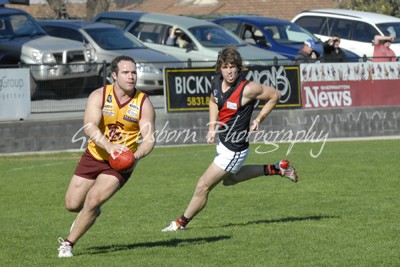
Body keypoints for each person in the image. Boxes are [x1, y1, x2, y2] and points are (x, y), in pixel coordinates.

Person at [161, 46, 298, 232]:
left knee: (203, 186)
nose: (229, 71)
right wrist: (212, 126)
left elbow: (275, 95)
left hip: (234, 148)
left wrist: (258, 119)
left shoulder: (248, 88)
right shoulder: (216, 82)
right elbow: (212, 101)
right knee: (230, 180)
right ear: (220, 68)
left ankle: (180, 224)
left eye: (233, 66)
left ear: (239, 67)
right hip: (223, 142)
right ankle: (277, 168)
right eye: (225, 67)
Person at [57, 55, 156, 257]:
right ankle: (90, 212)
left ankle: (68, 243)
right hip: (94, 155)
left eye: (134, 72)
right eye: (126, 73)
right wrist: (110, 147)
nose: (131, 77)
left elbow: (149, 139)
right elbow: (89, 126)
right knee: (72, 204)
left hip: (121, 164)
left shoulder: (143, 102)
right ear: (114, 75)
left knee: (93, 200)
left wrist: (135, 157)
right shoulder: (99, 96)